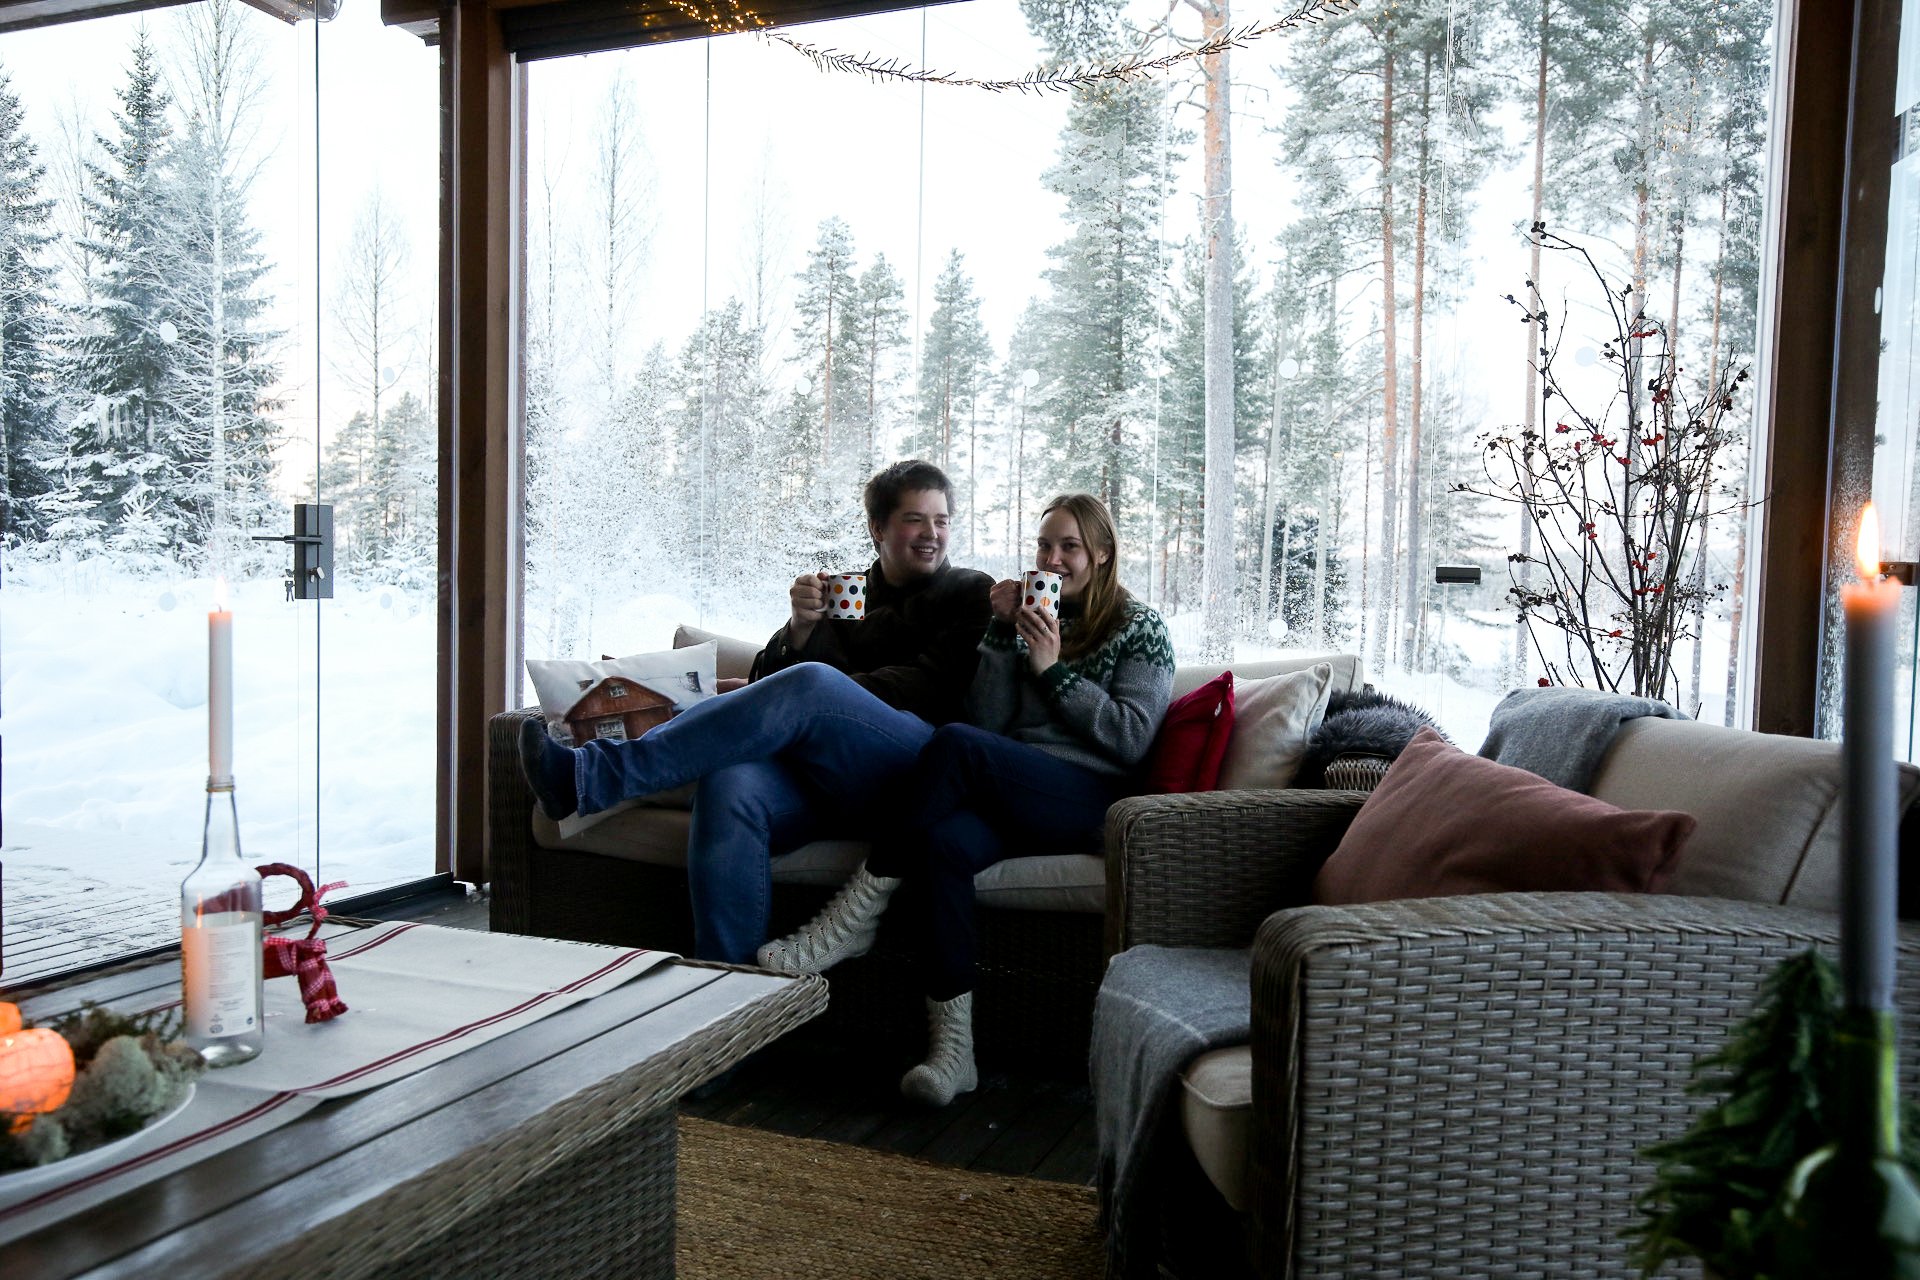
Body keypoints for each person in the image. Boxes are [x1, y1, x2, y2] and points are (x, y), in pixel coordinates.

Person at [758, 493, 1174, 1106]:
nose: (1052, 560)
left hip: (1090, 796)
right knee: (941, 844)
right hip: (1018, 788)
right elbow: (992, 723)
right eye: (1043, 546)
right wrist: (1004, 638)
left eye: (1070, 547)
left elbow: (1130, 738)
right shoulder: (1030, 617)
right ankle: (954, 1054)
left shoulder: (1140, 628)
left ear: (1103, 554)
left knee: (954, 745)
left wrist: (1055, 670)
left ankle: (856, 913)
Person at [518, 460, 994, 965]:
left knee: (814, 686)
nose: (932, 534)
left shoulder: (969, 593)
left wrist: (826, 700)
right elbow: (766, 685)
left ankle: (592, 776)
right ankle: (728, 992)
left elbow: (932, 688)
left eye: (941, 520)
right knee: (731, 783)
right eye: (915, 519)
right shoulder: (844, 593)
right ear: (878, 528)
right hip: (821, 783)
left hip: (913, 770)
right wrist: (800, 631)